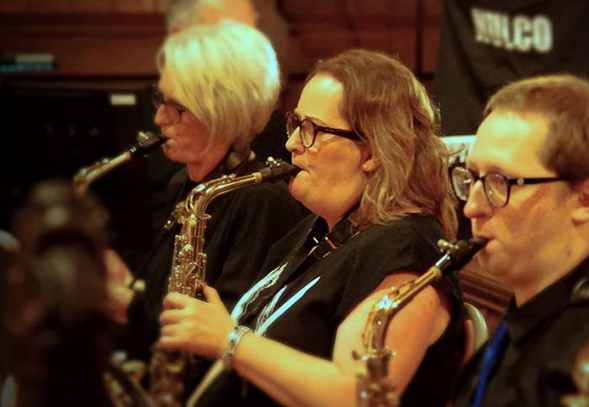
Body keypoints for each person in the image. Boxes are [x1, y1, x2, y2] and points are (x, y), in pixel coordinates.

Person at [154, 49, 463, 407]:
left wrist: (230, 341)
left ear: (373, 151)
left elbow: (357, 396)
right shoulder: (321, 230)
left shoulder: (408, 255)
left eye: (312, 129)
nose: (291, 144)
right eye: (295, 124)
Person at [448, 75, 589, 407]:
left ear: (585, 199)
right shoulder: (532, 310)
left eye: (500, 181)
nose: (472, 207)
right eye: (471, 178)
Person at [105, 21, 303, 369]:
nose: (158, 118)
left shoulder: (261, 201)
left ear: (223, 114)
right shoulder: (181, 183)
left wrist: (129, 307)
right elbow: (164, 299)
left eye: (176, 107)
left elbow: (232, 331)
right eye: (158, 99)